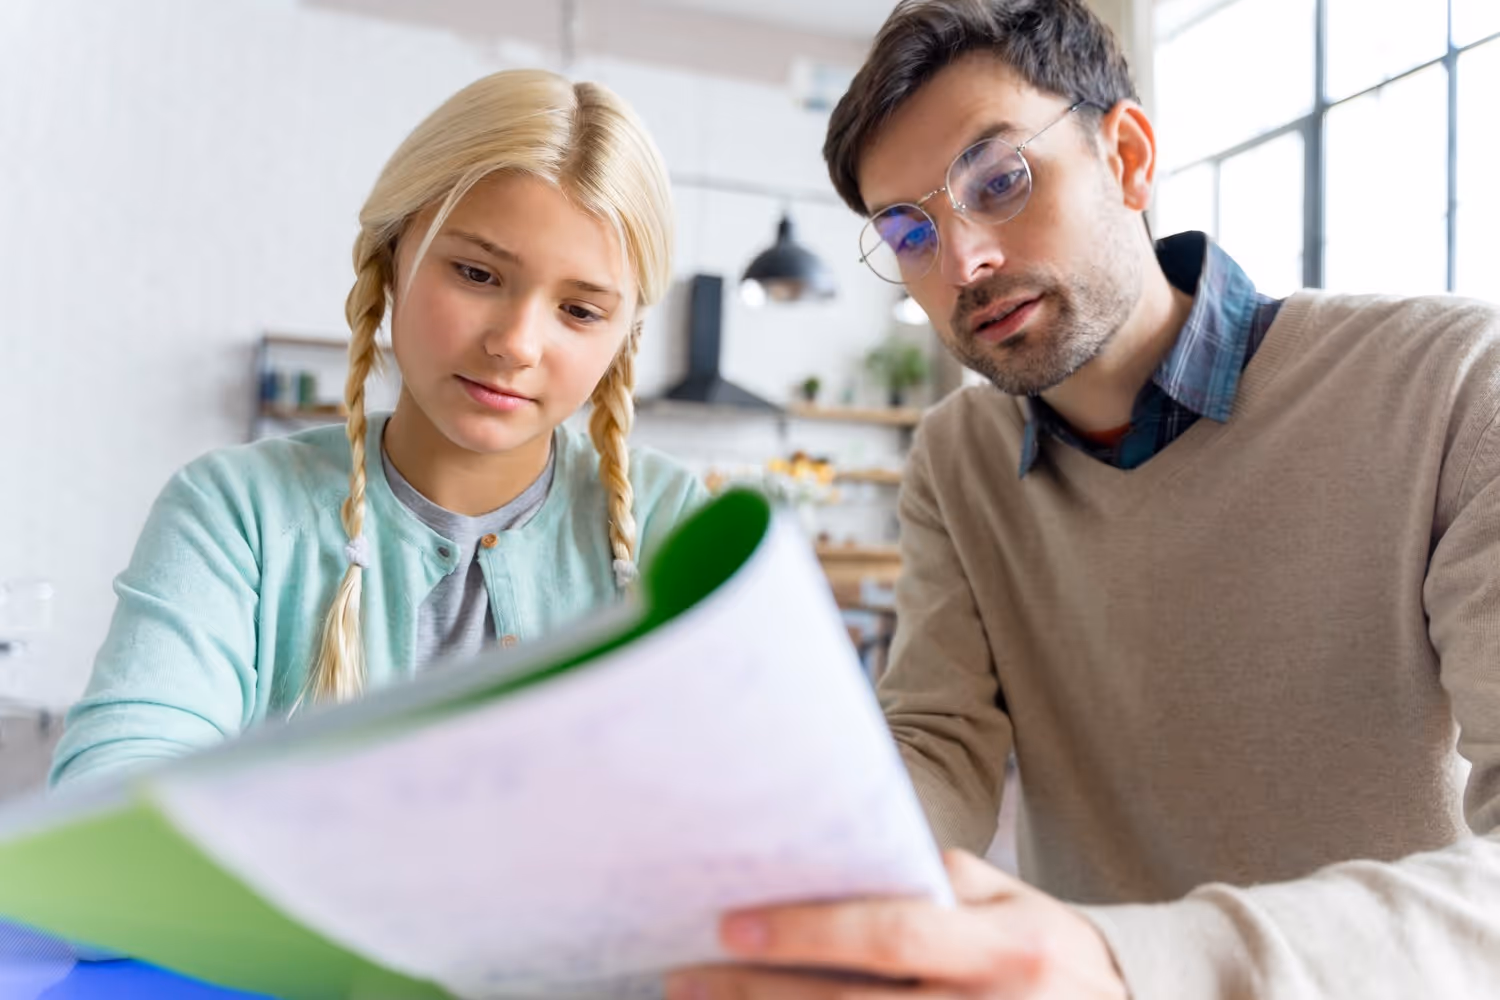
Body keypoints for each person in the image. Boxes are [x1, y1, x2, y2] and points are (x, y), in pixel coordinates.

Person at [667, 1, 1500, 997]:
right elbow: (939, 740)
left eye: (1001, 179)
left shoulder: (1454, 383)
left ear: (1130, 155)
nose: (964, 259)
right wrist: (813, 873)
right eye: (909, 229)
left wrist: (1125, 964)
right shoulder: (955, 459)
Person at [52, 69, 705, 788]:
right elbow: (111, 790)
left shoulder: (678, 525)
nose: (518, 344)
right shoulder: (237, 512)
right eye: (477, 274)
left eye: (581, 311)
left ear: (623, 335)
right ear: (394, 257)